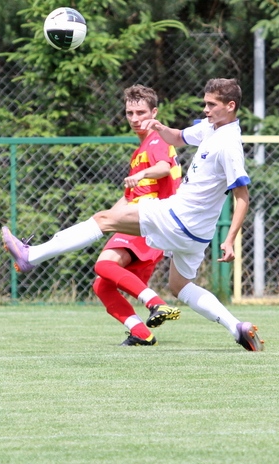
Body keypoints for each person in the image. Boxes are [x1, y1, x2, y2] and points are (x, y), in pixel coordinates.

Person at [2, 78, 264, 352]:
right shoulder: (210, 128)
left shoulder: (229, 145)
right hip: (197, 234)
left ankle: (31, 256)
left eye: (211, 104)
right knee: (180, 286)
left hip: (179, 216)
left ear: (230, 106)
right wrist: (160, 128)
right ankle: (237, 328)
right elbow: (177, 137)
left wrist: (230, 239)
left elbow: (242, 196)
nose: (205, 109)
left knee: (103, 220)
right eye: (205, 103)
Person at [92, 85, 182, 346]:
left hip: (150, 219)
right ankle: (141, 333)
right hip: (144, 218)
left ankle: (156, 303)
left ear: (154, 112)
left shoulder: (157, 138)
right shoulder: (142, 148)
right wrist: (103, 219)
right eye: (130, 113)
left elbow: (163, 168)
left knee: (103, 265)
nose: (135, 118)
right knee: (102, 285)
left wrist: (142, 174)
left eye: (141, 112)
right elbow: (129, 197)